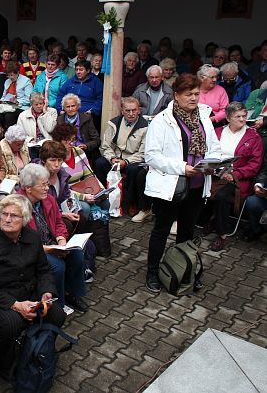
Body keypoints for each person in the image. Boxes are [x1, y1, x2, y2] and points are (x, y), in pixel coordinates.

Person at [0, 194, 65, 379]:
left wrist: (46, 292)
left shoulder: (32, 237)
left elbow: (43, 270)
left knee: (56, 314)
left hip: (29, 291)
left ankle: (39, 348)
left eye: (14, 215)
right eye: (4, 214)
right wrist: (15, 305)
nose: (7, 219)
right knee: (12, 323)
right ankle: (3, 360)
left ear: (25, 219)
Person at [144, 73, 223, 293]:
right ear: (176, 95)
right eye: (188, 94)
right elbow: (151, 156)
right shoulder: (162, 120)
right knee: (161, 230)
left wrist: (215, 163)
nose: (193, 98)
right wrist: (181, 168)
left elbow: (214, 147)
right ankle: (152, 272)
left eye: (197, 94)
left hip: (197, 184)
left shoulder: (203, 117)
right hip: (171, 186)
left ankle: (182, 269)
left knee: (187, 232)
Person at [18, 164, 88, 312]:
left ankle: (72, 293)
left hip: (52, 244)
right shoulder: (18, 206)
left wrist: (62, 240)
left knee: (76, 254)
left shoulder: (48, 199)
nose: (46, 188)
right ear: (28, 188)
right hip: (32, 250)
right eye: (42, 185)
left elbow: (58, 223)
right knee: (56, 265)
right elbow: (21, 242)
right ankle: (56, 305)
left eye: (47, 184)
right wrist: (49, 250)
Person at [200, 102, 262, 250]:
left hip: (237, 178)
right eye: (238, 116)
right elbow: (206, 151)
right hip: (215, 172)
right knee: (195, 184)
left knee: (222, 196)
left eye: (244, 116)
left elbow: (255, 165)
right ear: (228, 118)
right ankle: (203, 220)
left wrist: (235, 174)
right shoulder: (218, 131)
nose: (242, 119)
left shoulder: (253, 137)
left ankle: (222, 234)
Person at [95, 97, 151, 222]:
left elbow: (143, 152)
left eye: (134, 110)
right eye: (128, 110)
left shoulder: (145, 127)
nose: (131, 113)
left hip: (132, 160)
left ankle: (132, 202)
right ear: (122, 111)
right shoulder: (113, 123)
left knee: (133, 170)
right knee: (100, 163)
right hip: (115, 158)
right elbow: (105, 146)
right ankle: (102, 197)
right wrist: (112, 158)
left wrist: (126, 162)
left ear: (139, 110)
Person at [56, 94, 100, 163]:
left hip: (83, 151)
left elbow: (96, 140)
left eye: (73, 106)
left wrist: (86, 145)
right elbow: (56, 139)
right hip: (65, 152)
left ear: (78, 106)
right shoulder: (60, 120)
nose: (70, 109)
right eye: (68, 106)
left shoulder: (86, 118)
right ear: (64, 108)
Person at [0, 61, 33, 129]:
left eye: (12, 75)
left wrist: (17, 102)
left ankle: (10, 135)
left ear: (18, 72)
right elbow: (4, 96)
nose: (10, 77)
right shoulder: (7, 81)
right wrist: (1, 101)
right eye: (8, 75)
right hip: (8, 106)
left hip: (21, 107)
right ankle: (0, 134)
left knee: (9, 116)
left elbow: (29, 99)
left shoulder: (26, 81)